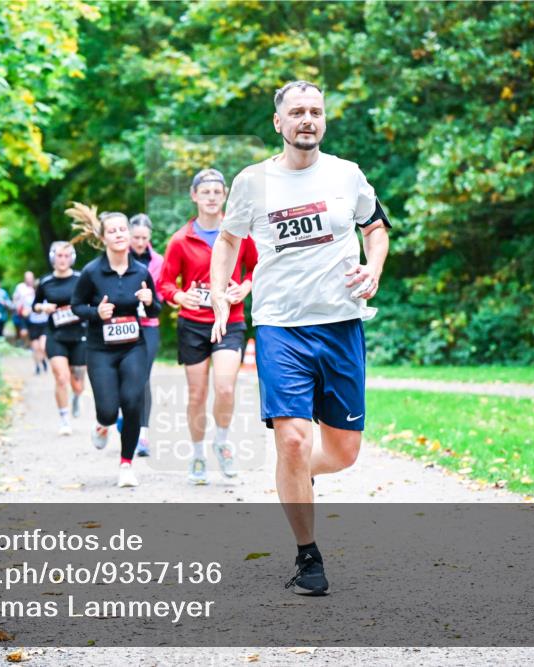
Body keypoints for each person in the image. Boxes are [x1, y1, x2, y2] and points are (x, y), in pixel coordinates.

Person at [209, 81, 392, 596]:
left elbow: (375, 228)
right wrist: (222, 293)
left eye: (315, 111)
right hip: (279, 326)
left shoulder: (346, 174)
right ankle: (308, 557)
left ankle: (293, 476)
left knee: (342, 452)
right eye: (297, 112)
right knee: (292, 438)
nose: (307, 119)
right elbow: (228, 240)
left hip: (339, 324)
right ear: (279, 123)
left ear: (324, 121)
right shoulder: (252, 182)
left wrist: (373, 268)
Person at [157, 168, 258, 485]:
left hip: (231, 321)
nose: (212, 197)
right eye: (206, 192)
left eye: (217, 192)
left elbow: (258, 267)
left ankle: (223, 442)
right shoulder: (180, 240)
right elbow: (163, 283)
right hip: (194, 324)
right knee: (197, 395)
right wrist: (179, 295)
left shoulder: (241, 234)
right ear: (194, 196)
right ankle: (199, 454)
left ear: (225, 194)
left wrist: (246, 286)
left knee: (225, 387)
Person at [69, 205, 161, 488]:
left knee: (133, 401)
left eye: (123, 229)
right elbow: (76, 306)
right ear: (104, 237)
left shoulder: (141, 271)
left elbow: (156, 311)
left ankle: (126, 465)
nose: (120, 234)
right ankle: (102, 424)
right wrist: (96, 312)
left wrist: (148, 301)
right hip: (100, 350)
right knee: (108, 410)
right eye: (113, 231)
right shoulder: (92, 272)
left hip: (133, 346)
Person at [33, 241, 88, 436]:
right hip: (55, 334)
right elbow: (35, 305)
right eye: (59, 256)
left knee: (78, 383)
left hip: (80, 334)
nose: (62, 260)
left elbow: (92, 299)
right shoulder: (46, 282)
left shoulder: (81, 278)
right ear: (52, 258)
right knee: (61, 377)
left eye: (66, 256)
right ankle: (64, 419)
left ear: (72, 258)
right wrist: (43, 308)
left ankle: (77, 397)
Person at [127, 213, 164, 457]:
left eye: (144, 238)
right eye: (136, 237)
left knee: (142, 376)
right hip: (124, 324)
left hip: (149, 324)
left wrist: (152, 298)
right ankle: (126, 414)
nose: (140, 242)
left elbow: (161, 293)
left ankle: (143, 435)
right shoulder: (119, 257)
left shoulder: (158, 261)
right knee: (125, 376)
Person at [13, 271, 36, 348]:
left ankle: (31, 345)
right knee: (23, 332)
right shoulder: (20, 287)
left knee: (33, 331)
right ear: (24, 279)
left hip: (35, 313)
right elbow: (15, 298)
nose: (29, 280)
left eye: (30, 278)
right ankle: (27, 344)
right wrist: (17, 306)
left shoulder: (36, 286)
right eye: (27, 278)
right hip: (23, 312)